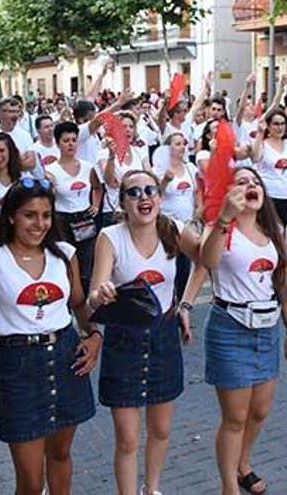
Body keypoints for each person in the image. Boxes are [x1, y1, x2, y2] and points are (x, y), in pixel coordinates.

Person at [0, 133, 100, 495]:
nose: (40, 223)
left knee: (61, 454)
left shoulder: (64, 253)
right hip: (18, 364)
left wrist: (95, 336)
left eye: (46, 215)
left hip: (66, 356)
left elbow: (79, 305)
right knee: (31, 482)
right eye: (30, 215)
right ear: (12, 217)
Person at [88, 169, 201, 495]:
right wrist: (102, 293)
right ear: (123, 201)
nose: (144, 197)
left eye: (150, 190)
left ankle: (151, 489)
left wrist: (187, 304)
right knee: (127, 438)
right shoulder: (110, 237)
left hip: (163, 336)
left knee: (162, 429)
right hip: (124, 338)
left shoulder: (173, 229)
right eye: (134, 192)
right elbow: (95, 293)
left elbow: (205, 259)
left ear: (160, 198)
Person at [195, 166, 287, 495]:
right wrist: (224, 219)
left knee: (260, 410)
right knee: (235, 417)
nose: (251, 186)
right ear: (230, 193)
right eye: (241, 183)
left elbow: (281, 285)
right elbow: (207, 260)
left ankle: (243, 463)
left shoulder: (274, 230)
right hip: (230, 329)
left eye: (255, 182)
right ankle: (229, 486)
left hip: (267, 329)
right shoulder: (221, 229)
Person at [45, 121, 102, 295]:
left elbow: (97, 187)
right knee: (65, 264)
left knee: (87, 265)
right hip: (62, 220)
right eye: (66, 140)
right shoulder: (51, 170)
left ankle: (86, 304)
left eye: (73, 140)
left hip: (84, 219)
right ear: (58, 143)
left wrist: (95, 205)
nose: (70, 144)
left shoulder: (87, 167)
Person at [154, 132, 200, 302]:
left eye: (183, 143)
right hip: (167, 226)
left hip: (187, 224)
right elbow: (155, 194)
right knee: (168, 265)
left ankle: (182, 303)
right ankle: (166, 303)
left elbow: (197, 191)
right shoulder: (158, 169)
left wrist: (198, 209)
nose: (182, 147)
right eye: (178, 143)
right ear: (168, 148)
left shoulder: (190, 168)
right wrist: (165, 180)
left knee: (184, 267)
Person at [250, 109, 287, 225]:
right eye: (276, 124)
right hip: (269, 196)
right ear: (269, 125)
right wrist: (260, 133)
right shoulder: (262, 144)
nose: (280, 127)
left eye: (282, 124)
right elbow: (255, 158)